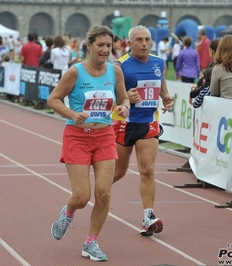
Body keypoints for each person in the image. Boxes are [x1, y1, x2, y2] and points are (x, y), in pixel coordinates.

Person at [47, 25, 130, 262]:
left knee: (103, 193)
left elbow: (123, 97)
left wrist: (125, 106)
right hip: (77, 137)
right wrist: (72, 114)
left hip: (105, 136)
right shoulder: (75, 72)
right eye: (100, 45)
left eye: (108, 45)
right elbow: (53, 99)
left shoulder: (115, 72)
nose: (105, 50)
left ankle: (91, 242)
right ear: (89, 45)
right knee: (82, 196)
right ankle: (68, 212)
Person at [112, 25, 174, 236]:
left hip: (148, 121)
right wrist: (126, 97)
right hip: (124, 122)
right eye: (139, 40)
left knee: (147, 169)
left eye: (147, 39)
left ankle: (148, 216)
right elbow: (110, 95)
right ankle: (95, 191)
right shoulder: (119, 66)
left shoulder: (158, 62)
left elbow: (161, 81)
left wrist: (165, 96)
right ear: (129, 44)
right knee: (118, 172)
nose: (144, 44)